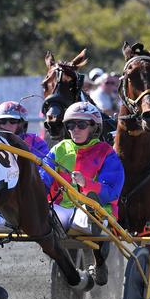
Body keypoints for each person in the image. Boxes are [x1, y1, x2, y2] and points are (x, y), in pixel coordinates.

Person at [40, 102, 124, 285]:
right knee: (42, 215)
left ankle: (99, 261)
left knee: (90, 211)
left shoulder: (106, 153)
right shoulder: (59, 149)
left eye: (82, 125)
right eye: (70, 125)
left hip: (91, 209)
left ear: (94, 127)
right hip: (62, 207)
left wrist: (88, 184)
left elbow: (111, 191)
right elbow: (43, 179)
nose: (75, 130)